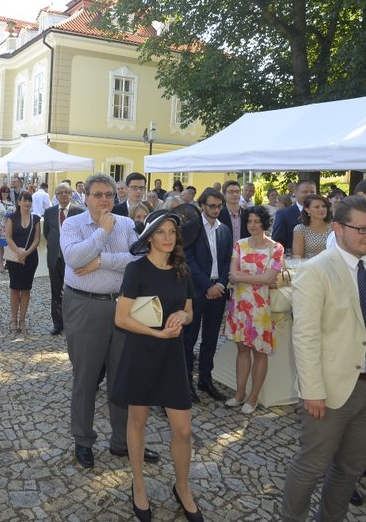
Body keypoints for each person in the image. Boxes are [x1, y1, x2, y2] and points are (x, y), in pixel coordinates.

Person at [281, 196, 366, 522]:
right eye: (361, 229)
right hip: (330, 389)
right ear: (338, 228)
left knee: (351, 468)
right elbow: (305, 336)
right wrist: (312, 390)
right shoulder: (315, 270)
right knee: (312, 467)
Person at [61, 174, 158, 469]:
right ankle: (83, 439)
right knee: (86, 377)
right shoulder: (72, 224)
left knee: (122, 376)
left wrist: (102, 261)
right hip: (85, 306)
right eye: (98, 194)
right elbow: (75, 259)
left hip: (122, 306)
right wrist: (102, 234)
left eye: (108, 195)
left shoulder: (128, 225)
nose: (104, 200)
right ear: (86, 197)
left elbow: (140, 260)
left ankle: (122, 441)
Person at [113, 210, 201, 522]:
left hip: (172, 356)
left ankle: (183, 487)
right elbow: (121, 318)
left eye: (171, 232)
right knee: (137, 421)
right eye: (160, 231)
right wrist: (156, 332)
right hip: (142, 351)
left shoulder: (182, 270)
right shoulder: (136, 270)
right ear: (149, 236)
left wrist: (183, 317)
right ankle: (138, 485)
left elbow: (189, 309)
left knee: (184, 429)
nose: (167, 237)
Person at [226, 206, 284, 414]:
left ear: (264, 223)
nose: (252, 225)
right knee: (242, 349)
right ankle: (240, 393)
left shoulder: (276, 248)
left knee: (260, 352)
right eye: (249, 221)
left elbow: (269, 278)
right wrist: (256, 279)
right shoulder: (239, 244)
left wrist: (243, 278)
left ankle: (254, 396)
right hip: (240, 305)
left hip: (261, 308)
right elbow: (232, 274)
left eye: (256, 221)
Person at [184, 187, 232, 403]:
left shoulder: (225, 229)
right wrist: (207, 286)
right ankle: (186, 382)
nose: (215, 209)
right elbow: (188, 260)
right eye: (211, 205)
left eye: (218, 206)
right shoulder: (191, 227)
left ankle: (205, 379)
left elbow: (226, 260)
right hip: (197, 291)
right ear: (202, 205)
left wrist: (221, 283)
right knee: (190, 339)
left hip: (218, 291)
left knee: (211, 339)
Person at [44, 184, 84, 336]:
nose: (63, 195)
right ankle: (58, 323)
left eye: (66, 192)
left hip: (73, 258)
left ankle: (73, 322)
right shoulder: (49, 212)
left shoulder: (78, 211)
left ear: (71, 194)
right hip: (55, 257)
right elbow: (47, 233)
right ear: (56, 195)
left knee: (75, 291)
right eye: (60, 193)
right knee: (56, 291)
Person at [5, 191, 41, 335]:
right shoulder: (12, 218)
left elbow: (37, 239)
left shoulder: (36, 219)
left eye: (29, 200)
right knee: (14, 288)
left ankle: (22, 320)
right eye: (24, 200)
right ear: (19, 202)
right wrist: (19, 252)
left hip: (30, 257)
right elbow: (8, 237)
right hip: (14, 257)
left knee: (26, 289)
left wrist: (26, 253)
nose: (27, 203)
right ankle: (13, 319)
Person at [272, 179, 316, 254]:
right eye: (305, 192)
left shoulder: (322, 213)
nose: (309, 194)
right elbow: (277, 241)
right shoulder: (283, 214)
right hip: (293, 260)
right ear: (295, 192)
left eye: (312, 192)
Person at [292, 194, 332, 259]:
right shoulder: (300, 229)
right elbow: (297, 258)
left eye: (324, 206)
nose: (322, 209)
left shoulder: (334, 227)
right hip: (309, 267)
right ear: (307, 210)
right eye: (317, 207)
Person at [217, 180, 247, 248]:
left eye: (237, 191)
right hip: (225, 254)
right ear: (224, 195)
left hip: (243, 253)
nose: (235, 194)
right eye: (231, 192)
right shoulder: (218, 215)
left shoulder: (246, 215)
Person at [0, 185, 16, 267]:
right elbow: (4, 213)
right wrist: (12, 211)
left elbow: (13, 212)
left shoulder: (11, 202)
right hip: (0, 226)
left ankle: (8, 262)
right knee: (0, 245)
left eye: (7, 192)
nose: (5, 194)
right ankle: (1, 264)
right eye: (4, 192)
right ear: (1, 192)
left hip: (9, 225)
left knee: (9, 244)